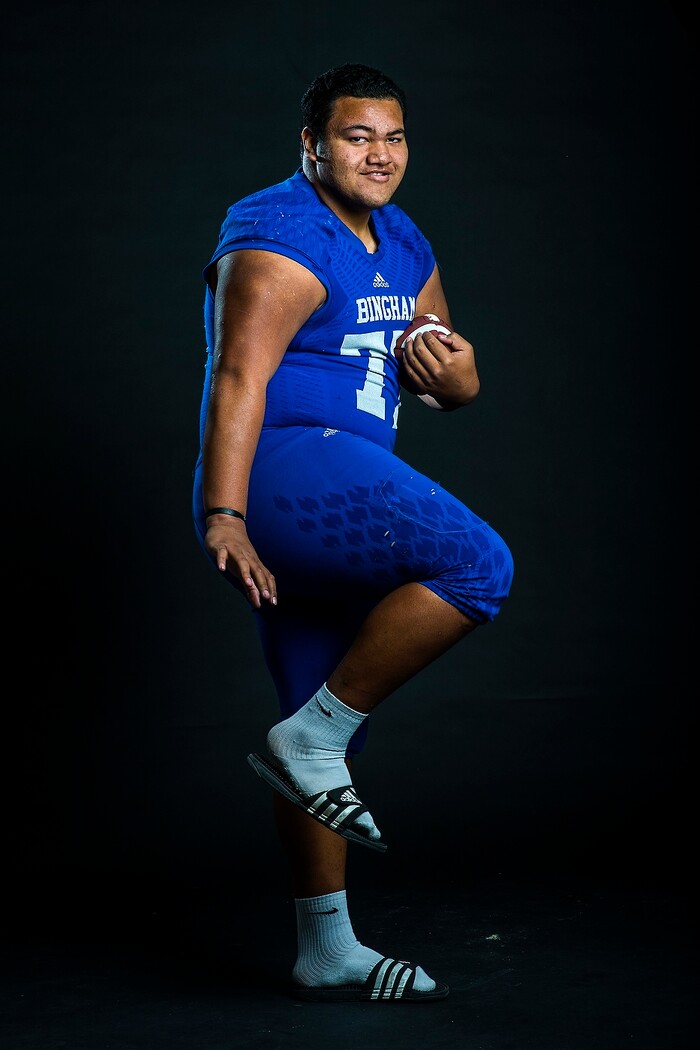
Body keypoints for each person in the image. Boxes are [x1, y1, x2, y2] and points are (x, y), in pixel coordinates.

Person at [192, 62, 514, 1003]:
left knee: (318, 714)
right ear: (313, 145)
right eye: (357, 136)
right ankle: (314, 738)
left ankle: (324, 948)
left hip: (346, 470)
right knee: (476, 564)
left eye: (396, 137)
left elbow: (454, 383)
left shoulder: (403, 237)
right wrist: (225, 514)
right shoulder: (280, 231)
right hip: (289, 466)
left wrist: (453, 372)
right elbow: (237, 377)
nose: (380, 154)